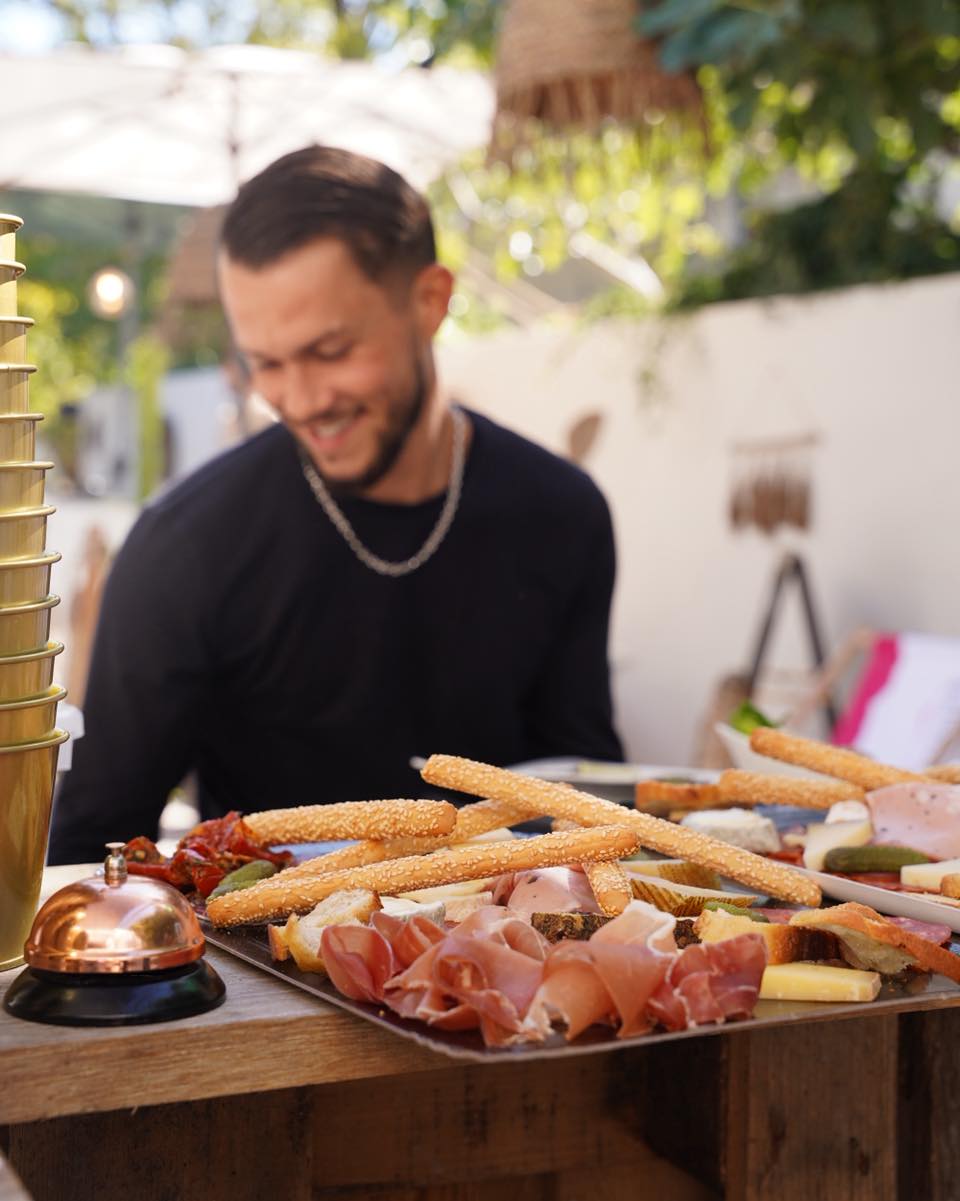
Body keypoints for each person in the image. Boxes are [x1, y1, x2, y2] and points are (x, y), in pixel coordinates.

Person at [48, 146, 623, 864]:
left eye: (330, 350)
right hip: (261, 960)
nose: (302, 399)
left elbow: (586, 796)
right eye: (267, 363)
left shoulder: (562, 514)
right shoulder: (186, 546)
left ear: (430, 303)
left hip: (511, 943)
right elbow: (95, 845)